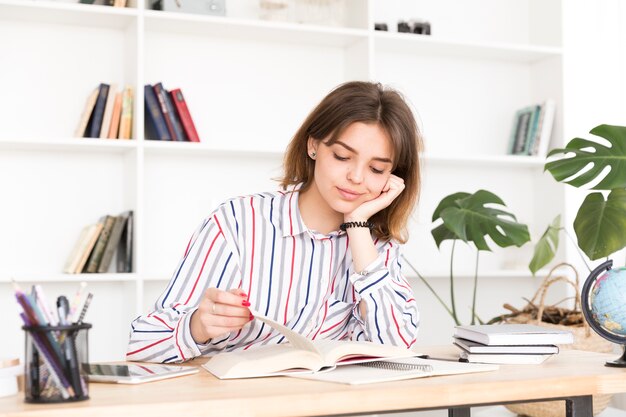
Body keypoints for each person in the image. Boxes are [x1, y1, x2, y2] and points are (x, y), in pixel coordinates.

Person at [127, 81, 423, 363]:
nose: (357, 178)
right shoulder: (238, 223)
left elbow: (396, 346)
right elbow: (141, 345)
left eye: (376, 168)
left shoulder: (376, 246)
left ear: (392, 177)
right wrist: (197, 327)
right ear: (313, 146)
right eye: (342, 156)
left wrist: (357, 225)